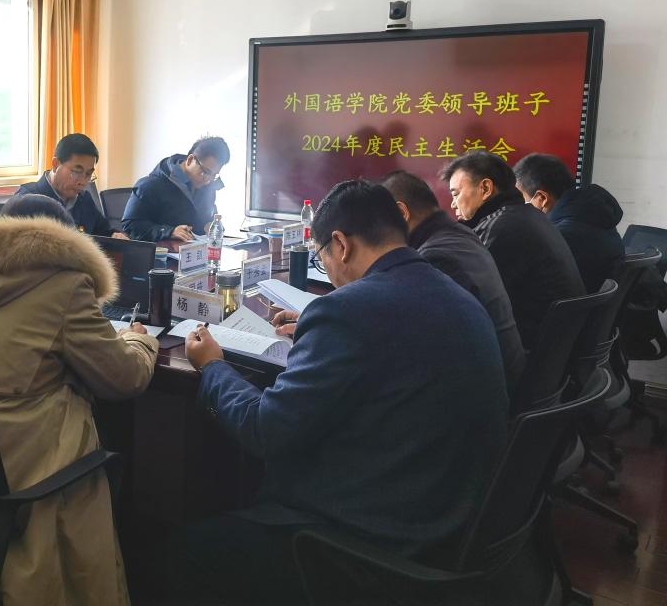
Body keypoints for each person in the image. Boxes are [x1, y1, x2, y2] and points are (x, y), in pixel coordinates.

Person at [174, 180, 508, 605]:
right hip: (455, 517)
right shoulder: (451, 290)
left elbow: (264, 430)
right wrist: (322, 336)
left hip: (374, 543)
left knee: (184, 551)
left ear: (341, 244)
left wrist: (213, 366)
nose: (328, 270)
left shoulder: (349, 311)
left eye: (322, 257)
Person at [0, 193, 158, 606]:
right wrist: (139, 341)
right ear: (64, 240)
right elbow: (124, 378)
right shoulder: (66, 285)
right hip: (30, 470)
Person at [380, 170, 525, 394]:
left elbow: (417, 346)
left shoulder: (434, 259)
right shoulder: (461, 235)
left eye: (378, 224)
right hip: (509, 377)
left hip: (489, 395)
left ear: (401, 213)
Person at [443, 151, 586, 348]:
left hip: (532, 350)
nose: (453, 204)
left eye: (456, 194)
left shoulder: (500, 228)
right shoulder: (527, 216)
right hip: (558, 347)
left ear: (485, 188)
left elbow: (465, 298)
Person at [514, 153, 625, 293]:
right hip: (588, 303)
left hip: (567, 304)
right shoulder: (595, 218)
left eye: (521, 199)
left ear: (542, 198)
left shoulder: (558, 237)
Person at [15, 133, 127, 238]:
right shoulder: (27, 200)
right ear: (55, 164)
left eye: (88, 174)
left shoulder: (84, 199)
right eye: (77, 171)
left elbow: (104, 232)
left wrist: (115, 236)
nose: (82, 181)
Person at [121, 136, 230, 242]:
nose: (208, 180)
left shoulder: (207, 188)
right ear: (190, 160)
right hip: (161, 252)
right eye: (205, 172)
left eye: (214, 175)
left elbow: (208, 218)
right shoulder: (150, 185)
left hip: (194, 250)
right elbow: (130, 225)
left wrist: (210, 225)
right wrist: (169, 232)